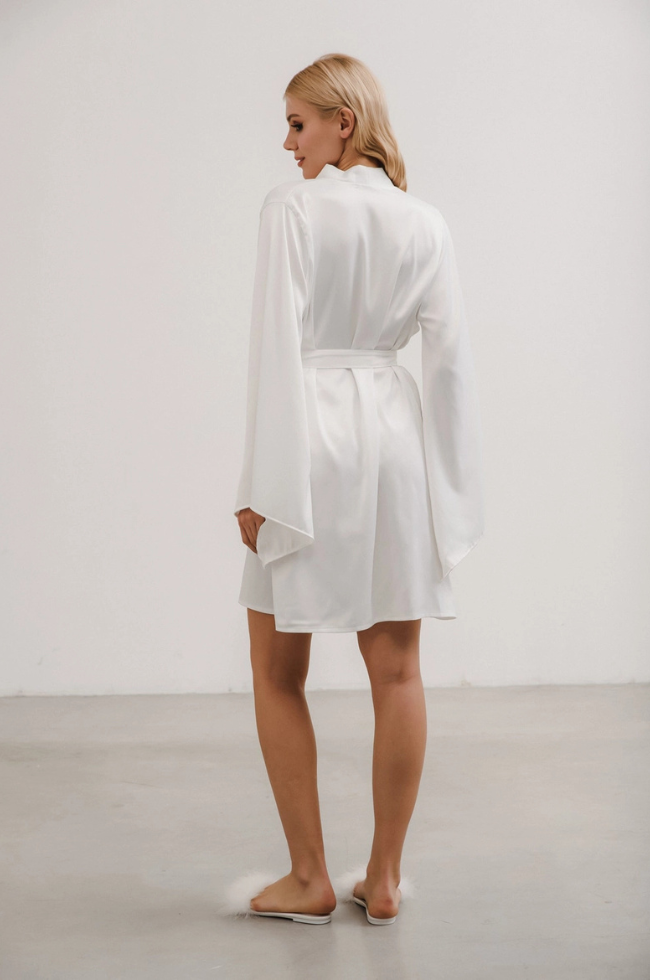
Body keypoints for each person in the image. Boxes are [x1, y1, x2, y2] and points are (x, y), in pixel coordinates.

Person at [229, 53, 485, 925]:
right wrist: (451, 496)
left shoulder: (292, 209)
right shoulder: (426, 222)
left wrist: (260, 483)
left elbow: (274, 346)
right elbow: (450, 368)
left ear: (344, 121)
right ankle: (384, 879)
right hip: (394, 440)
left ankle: (308, 878)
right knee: (399, 669)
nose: (288, 143)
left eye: (298, 123)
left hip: (308, 441)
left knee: (276, 668)